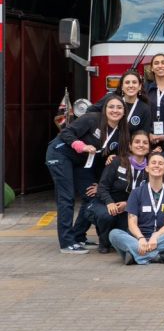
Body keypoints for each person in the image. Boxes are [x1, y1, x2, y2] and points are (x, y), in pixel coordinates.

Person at [45, 95, 128, 253]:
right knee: (67, 197)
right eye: (111, 107)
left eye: (119, 107)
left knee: (92, 194)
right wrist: (80, 145)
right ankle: (67, 243)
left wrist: (109, 162)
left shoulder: (121, 133)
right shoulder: (91, 119)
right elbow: (66, 132)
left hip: (82, 162)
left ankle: (78, 236)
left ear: (124, 112)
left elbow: (109, 158)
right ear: (104, 109)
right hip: (60, 154)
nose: (115, 110)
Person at [110, 151, 164, 265]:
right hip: (137, 239)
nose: (157, 165)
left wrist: (156, 236)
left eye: (161, 163)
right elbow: (132, 222)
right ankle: (157, 256)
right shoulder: (136, 193)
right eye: (154, 163)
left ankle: (135, 256)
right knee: (114, 234)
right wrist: (141, 238)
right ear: (147, 168)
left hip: (162, 238)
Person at [92, 129, 150, 253]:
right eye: (137, 142)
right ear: (130, 145)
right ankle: (104, 242)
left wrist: (128, 204)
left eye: (145, 143)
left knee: (128, 232)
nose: (141, 145)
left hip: (130, 208)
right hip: (109, 204)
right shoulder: (117, 161)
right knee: (106, 216)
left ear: (149, 147)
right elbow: (102, 187)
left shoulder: (151, 167)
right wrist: (109, 202)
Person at [87, 70, 152, 136]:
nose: (131, 85)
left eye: (134, 82)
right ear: (122, 86)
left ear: (140, 86)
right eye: (127, 82)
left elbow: (143, 135)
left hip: (127, 145)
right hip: (104, 142)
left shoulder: (144, 109)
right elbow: (89, 112)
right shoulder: (110, 99)